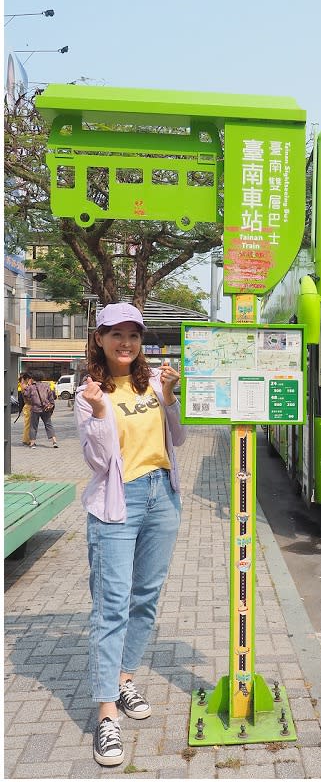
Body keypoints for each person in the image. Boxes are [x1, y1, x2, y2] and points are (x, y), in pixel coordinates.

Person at [74, 303, 186, 767]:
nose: (125, 342)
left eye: (133, 334)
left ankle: (124, 679)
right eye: (115, 334)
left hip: (164, 495)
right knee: (112, 604)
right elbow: (99, 463)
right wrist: (100, 412)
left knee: (146, 597)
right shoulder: (89, 394)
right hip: (119, 504)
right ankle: (105, 714)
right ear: (99, 339)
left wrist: (173, 399)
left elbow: (176, 440)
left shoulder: (154, 384)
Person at [23, 372, 58, 449]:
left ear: (33, 378)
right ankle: (54, 442)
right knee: (48, 425)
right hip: (46, 408)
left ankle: (32, 443)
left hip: (35, 409)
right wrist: (51, 405)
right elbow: (51, 397)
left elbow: (25, 394)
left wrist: (28, 385)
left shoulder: (31, 387)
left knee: (33, 426)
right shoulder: (47, 386)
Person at [17, 371, 33, 445]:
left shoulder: (24, 384)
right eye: (29, 378)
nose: (30, 380)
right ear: (26, 378)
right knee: (28, 424)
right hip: (27, 406)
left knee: (28, 424)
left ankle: (26, 439)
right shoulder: (23, 385)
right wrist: (29, 384)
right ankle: (26, 440)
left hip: (28, 406)